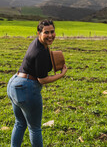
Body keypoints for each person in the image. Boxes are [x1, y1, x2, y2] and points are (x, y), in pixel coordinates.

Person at [7, 19, 68, 147]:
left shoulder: (37, 44)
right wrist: (61, 75)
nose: (50, 35)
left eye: (52, 32)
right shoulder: (40, 52)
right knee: (35, 128)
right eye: (46, 32)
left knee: (20, 123)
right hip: (27, 88)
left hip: (14, 84)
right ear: (39, 32)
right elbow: (42, 79)